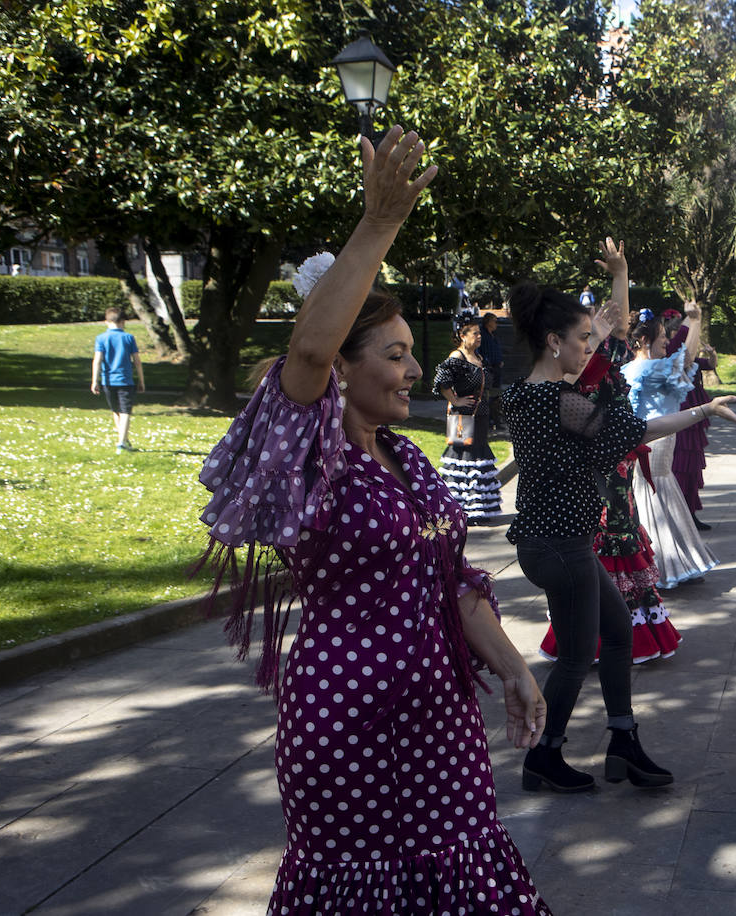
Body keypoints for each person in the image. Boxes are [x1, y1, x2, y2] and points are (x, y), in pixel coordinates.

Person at [196, 128, 551, 914]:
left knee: (462, 866)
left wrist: (514, 666)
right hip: (347, 717)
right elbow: (308, 352)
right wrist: (381, 222)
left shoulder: (410, 460)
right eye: (393, 355)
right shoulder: (308, 455)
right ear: (344, 368)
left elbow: (456, 581)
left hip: (440, 714)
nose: (414, 370)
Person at [503, 280, 736, 793]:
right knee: (576, 656)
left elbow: (619, 417)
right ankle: (544, 758)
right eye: (579, 340)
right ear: (554, 341)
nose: (585, 349)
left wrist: (701, 409)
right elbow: (634, 432)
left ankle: (624, 742)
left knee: (617, 632)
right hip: (559, 543)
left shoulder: (527, 394)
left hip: (556, 540)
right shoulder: (558, 401)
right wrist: (704, 410)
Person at [538, 238, 684, 666]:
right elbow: (607, 340)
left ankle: (630, 629)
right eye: (583, 335)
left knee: (618, 532)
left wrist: (621, 275)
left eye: (591, 335)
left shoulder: (603, 361)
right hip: (593, 472)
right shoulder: (573, 376)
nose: (594, 340)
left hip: (618, 467)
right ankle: (598, 634)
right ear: (557, 343)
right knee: (599, 539)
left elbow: (619, 329)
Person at [622, 305, 726, 588]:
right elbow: (688, 358)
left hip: (654, 439)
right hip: (653, 440)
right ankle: (662, 566)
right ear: (644, 341)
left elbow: (686, 361)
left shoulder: (632, 367)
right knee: (655, 494)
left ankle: (667, 564)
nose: (668, 341)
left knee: (658, 492)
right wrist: (695, 321)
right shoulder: (648, 367)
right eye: (662, 337)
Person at [433, 312, 503, 523]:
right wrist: (455, 401)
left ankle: (478, 509)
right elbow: (441, 382)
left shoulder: (480, 358)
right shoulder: (457, 357)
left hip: (480, 416)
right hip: (462, 418)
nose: (479, 336)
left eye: (480, 332)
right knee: (461, 458)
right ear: (463, 336)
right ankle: (458, 509)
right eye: (474, 333)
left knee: (478, 457)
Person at [674, 341, 720, 530]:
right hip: (681, 415)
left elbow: (712, 364)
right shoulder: (671, 363)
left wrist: (712, 353)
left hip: (695, 418)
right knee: (680, 467)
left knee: (692, 467)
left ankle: (690, 514)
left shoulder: (694, 362)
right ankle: (678, 515)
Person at [91, 307, 145, 453]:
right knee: (126, 411)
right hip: (125, 381)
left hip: (108, 381)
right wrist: (141, 380)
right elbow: (137, 361)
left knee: (116, 410)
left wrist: (95, 381)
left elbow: (97, 360)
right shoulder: (128, 338)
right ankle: (121, 442)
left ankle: (123, 439)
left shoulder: (101, 338)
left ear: (106, 321)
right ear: (123, 322)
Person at [478, 312, 505, 430]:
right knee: (488, 395)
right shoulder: (482, 335)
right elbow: (480, 351)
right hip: (488, 368)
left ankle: (496, 420)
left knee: (496, 395)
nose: (496, 324)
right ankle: (488, 420)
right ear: (488, 322)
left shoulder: (493, 336)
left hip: (497, 367)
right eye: (494, 321)